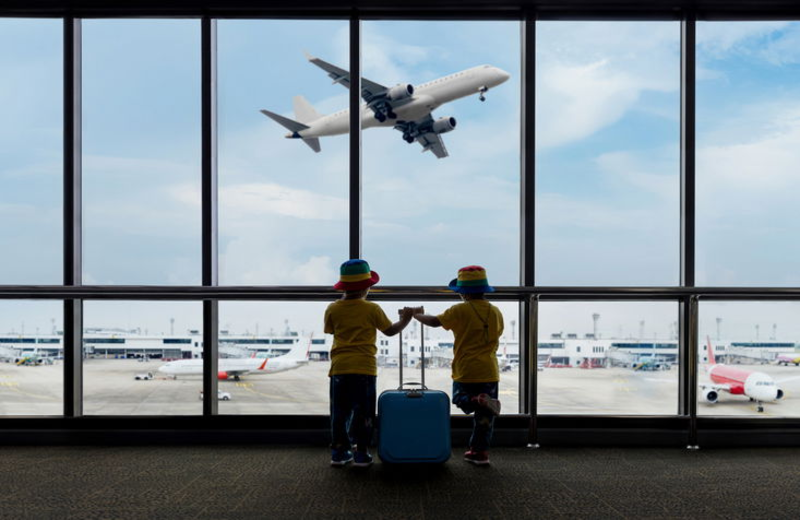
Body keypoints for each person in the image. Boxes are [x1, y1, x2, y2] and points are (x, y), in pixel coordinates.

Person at [324, 259, 414, 467]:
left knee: (339, 412)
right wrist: (406, 319)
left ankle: (339, 452)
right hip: (364, 368)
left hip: (340, 367)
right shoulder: (372, 308)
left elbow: (330, 330)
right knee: (363, 412)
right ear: (366, 287)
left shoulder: (333, 308)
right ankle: (361, 453)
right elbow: (390, 331)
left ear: (343, 286)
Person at [413, 265, 504, 466]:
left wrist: (416, 315)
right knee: (485, 418)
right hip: (489, 370)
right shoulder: (495, 311)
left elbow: (435, 321)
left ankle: (476, 400)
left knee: (459, 399)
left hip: (466, 369)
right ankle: (480, 453)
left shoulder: (460, 310)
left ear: (463, 293)